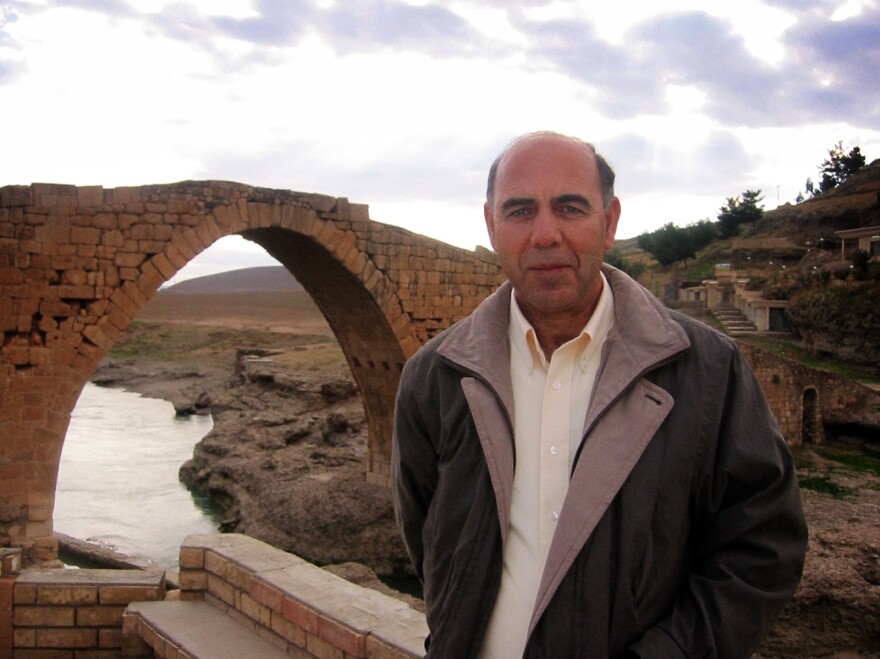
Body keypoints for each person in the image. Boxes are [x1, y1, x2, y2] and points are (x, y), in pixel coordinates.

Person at [392, 131, 808, 658]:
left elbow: (762, 549)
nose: (546, 234)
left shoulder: (707, 371)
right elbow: (427, 537)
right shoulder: (435, 377)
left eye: (570, 207)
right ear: (491, 226)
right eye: (520, 211)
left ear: (609, 222)